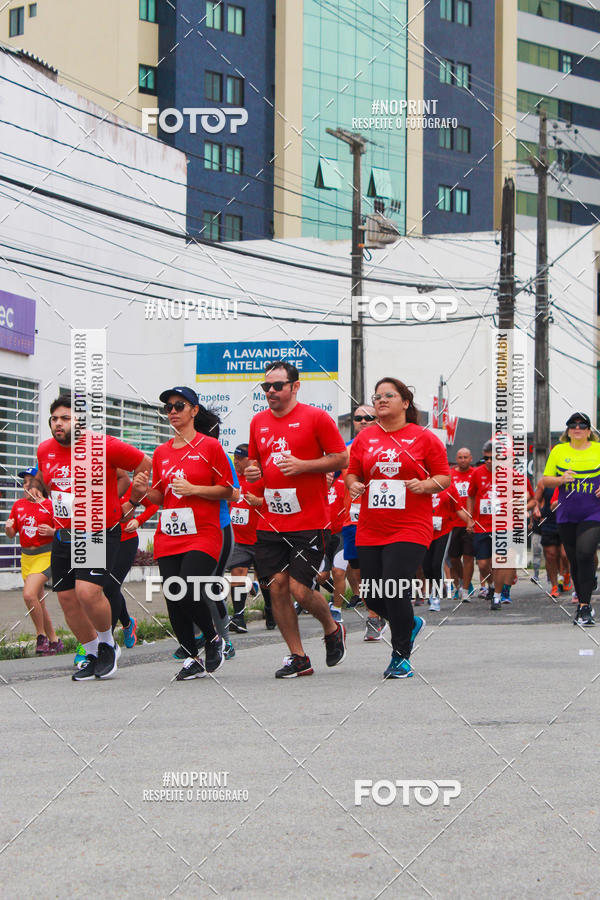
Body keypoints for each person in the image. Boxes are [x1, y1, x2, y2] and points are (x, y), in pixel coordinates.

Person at [34, 395, 151, 680]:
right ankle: (92, 652)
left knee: (88, 592)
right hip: (64, 534)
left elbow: (145, 465)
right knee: (67, 598)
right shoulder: (45, 450)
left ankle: (108, 645)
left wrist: (130, 501)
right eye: (54, 418)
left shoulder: (103, 445)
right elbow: (49, 481)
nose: (58, 423)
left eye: (65, 418)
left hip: (97, 530)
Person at [246, 362, 348, 678]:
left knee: (300, 589)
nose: (271, 391)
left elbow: (341, 458)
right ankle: (298, 657)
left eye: (278, 385)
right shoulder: (258, 422)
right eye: (266, 386)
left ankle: (332, 628)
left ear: (295, 386)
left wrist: (304, 466)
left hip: (309, 521)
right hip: (271, 521)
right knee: (277, 587)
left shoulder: (316, 417)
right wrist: (253, 473)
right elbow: (256, 464)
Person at [346, 378, 450, 678]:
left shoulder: (424, 438)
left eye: (388, 395)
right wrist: (354, 485)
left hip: (410, 527)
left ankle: (400, 655)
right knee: (372, 594)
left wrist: (424, 485)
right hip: (371, 527)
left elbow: (444, 477)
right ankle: (410, 623)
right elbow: (352, 473)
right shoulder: (365, 438)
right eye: (377, 396)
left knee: (394, 586)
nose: (380, 400)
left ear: (405, 403)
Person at [131, 386, 235, 679]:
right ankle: (191, 657)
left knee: (188, 587)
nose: (173, 411)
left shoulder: (210, 446)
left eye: (179, 406)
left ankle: (213, 638)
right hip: (170, 534)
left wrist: (194, 489)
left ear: (194, 410)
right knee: (173, 596)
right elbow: (162, 497)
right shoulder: (161, 452)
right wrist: (142, 491)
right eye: (169, 408)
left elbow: (229, 490)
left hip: (204, 532)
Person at [542, 412, 600, 627]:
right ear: (567, 431)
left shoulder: (598, 449)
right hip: (567, 514)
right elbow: (545, 480)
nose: (577, 428)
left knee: (585, 553)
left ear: (589, 431)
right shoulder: (559, 451)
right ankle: (583, 601)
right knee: (575, 560)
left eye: (582, 425)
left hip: (593, 512)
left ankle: (584, 606)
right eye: (573, 425)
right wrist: (560, 479)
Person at [340, 404, 386, 639]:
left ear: (378, 419)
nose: (364, 421)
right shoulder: (344, 451)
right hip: (353, 519)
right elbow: (328, 476)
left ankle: (375, 616)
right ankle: (376, 609)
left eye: (369, 417)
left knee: (378, 570)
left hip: (382, 518)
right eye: (359, 418)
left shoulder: (388, 446)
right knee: (359, 573)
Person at [5, 467, 62, 655]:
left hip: (45, 556)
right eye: (24, 482)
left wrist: (53, 532)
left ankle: (41, 636)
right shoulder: (18, 505)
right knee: (38, 603)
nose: (27, 485)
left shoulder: (50, 505)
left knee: (29, 595)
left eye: (31, 481)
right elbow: (11, 533)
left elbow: (65, 530)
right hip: (26, 558)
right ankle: (54, 641)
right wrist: (8, 528)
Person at [104, 476, 159, 647]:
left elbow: (153, 505)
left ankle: (106, 641)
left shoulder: (131, 486)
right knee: (101, 588)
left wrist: (138, 520)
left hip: (125, 541)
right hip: (99, 542)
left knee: (111, 586)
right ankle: (128, 623)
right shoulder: (96, 487)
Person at [228, 443, 269, 632]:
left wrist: (259, 501)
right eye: (235, 458)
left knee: (266, 580)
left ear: (251, 460)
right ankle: (238, 617)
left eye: (240, 459)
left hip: (261, 538)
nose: (236, 462)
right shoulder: (233, 478)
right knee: (237, 573)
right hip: (239, 538)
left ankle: (270, 609)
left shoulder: (262, 477)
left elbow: (277, 499)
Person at [447, 447, 476, 601]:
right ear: (456, 459)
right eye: (460, 457)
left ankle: (465, 588)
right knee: (453, 558)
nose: (463, 460)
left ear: (471, 458)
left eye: (465, 457)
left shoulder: (475, 474)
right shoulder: (450, 475)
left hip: (471, 523)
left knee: (468, 557)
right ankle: (462, 581)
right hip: (453, 522)